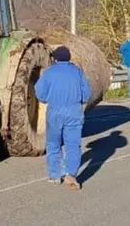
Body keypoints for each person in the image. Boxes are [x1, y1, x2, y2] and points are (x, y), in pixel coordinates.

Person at [34, 46, 92, 190]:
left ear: (55, 58)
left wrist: (46, 99)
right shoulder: (77, 72)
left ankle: (54, 175)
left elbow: (39, 91)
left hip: (55, 110)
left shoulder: (49, 72)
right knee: (73, 144)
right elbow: (87, 92)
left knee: (53, 143)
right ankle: (71, 173)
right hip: (74, 111)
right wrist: (81, 100)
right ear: (69, 57)